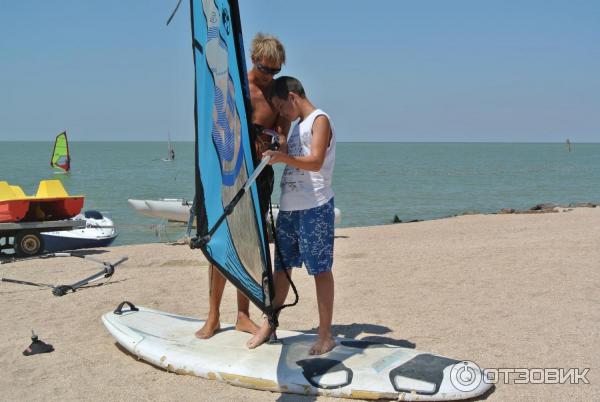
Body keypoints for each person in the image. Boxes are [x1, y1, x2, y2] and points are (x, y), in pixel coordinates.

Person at [195, 33, 290, 339]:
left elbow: (284, 137)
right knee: (221, 239)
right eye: (265, 70)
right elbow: (216, 124)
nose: (270, 77)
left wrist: (275, 145)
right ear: (253, 60)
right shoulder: (236, 87)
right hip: (231, 172)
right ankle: (212, 316)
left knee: (250, 243)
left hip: (260, 176)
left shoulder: (279, 95)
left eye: (275, 71)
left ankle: (242, 315)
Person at [247, 76, 337, 355]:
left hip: (315, 206)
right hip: (289, 208)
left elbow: (316, 161)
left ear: (292, 97)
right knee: (281, 270)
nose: (282, 114)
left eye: (281, 107)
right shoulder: (297, 127)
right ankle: (269, 323)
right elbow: (293, 155)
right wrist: (275, 150)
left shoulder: (320, 120)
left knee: (320, 270)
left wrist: (284, 158)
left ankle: (325, 335)